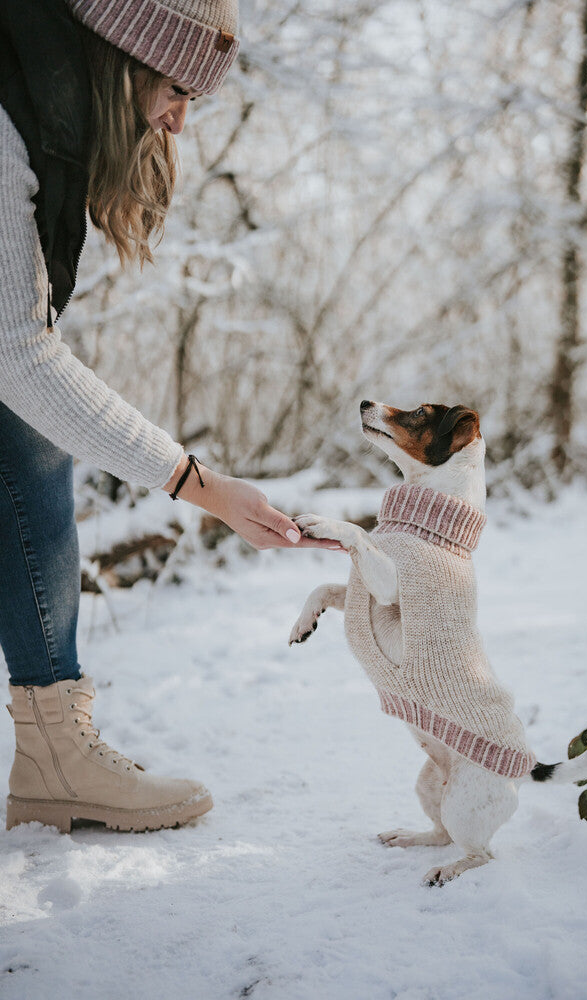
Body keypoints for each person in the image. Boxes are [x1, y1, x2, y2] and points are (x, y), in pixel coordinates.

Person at [0, 0, 336, 833]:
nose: (180, 124)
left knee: (30, 437)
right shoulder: (8, 129)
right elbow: (20, 356)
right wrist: (203, 486)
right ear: (121, 58)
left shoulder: (43, 107)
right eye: (177, 89)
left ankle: (53, 754)